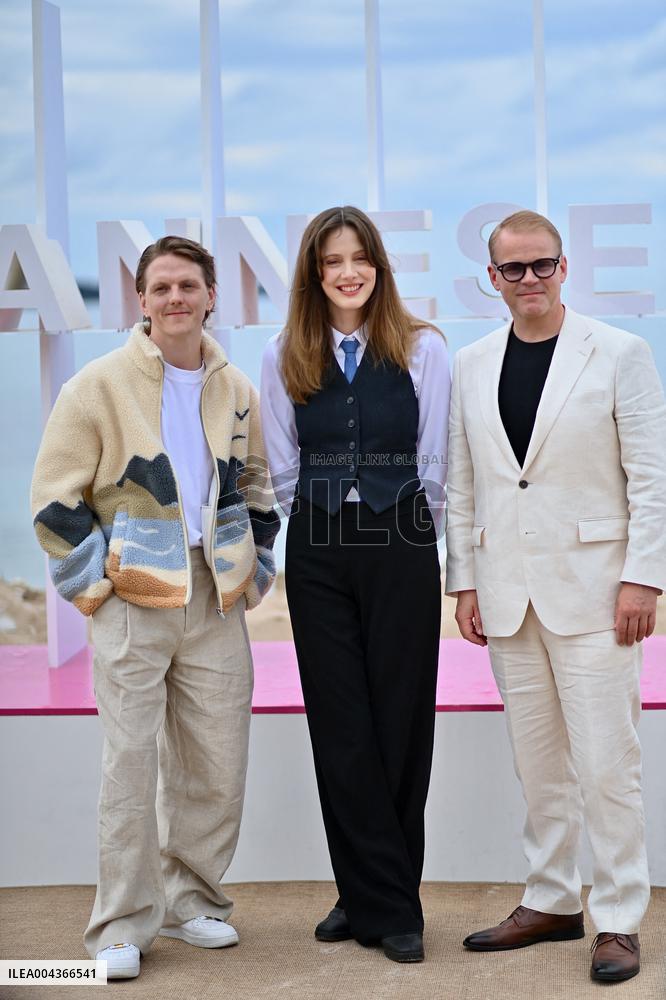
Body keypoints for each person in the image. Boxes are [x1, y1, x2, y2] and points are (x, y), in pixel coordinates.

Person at [31, 236, 279, 980]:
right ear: (141, 300)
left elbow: (259, 482)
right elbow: (53, 500)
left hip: (214, 598)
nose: (175, 299)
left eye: (188, 286)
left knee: (216, 761)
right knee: (130, 764)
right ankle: (120, 924)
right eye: (160, 287)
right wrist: (97, 591)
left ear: (211, 297)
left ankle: (194, 902)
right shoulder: (96, 386)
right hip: (131, 598)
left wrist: (255, 571)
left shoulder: (236, 387)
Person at [445, 210, 666, 983]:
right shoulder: (470, 363)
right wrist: (463, 581)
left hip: (599, 593)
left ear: (565, 268)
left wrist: (645, 576)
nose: (530, 279)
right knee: (538, 765)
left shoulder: (620, 353)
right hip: (506, 597)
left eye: (542, 265)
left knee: (608, 763)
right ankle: (550, 899)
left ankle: (616, 918)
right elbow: (464, 481)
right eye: (514, 269)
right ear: (493, 279)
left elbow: (652, 476)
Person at [260, 205, 449, 963]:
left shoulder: (425, 348)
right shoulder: (285, 353)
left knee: (400, 718)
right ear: (314, 272)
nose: (347, 272)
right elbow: (279, 466)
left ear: (378, 265)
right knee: (339, 721)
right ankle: (371, 891)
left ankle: (388, 901)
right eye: (331, 260)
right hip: (320, 542)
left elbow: (437, 457)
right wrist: (319, 521)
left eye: (359, 257)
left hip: (401, 536)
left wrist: (416, 533)